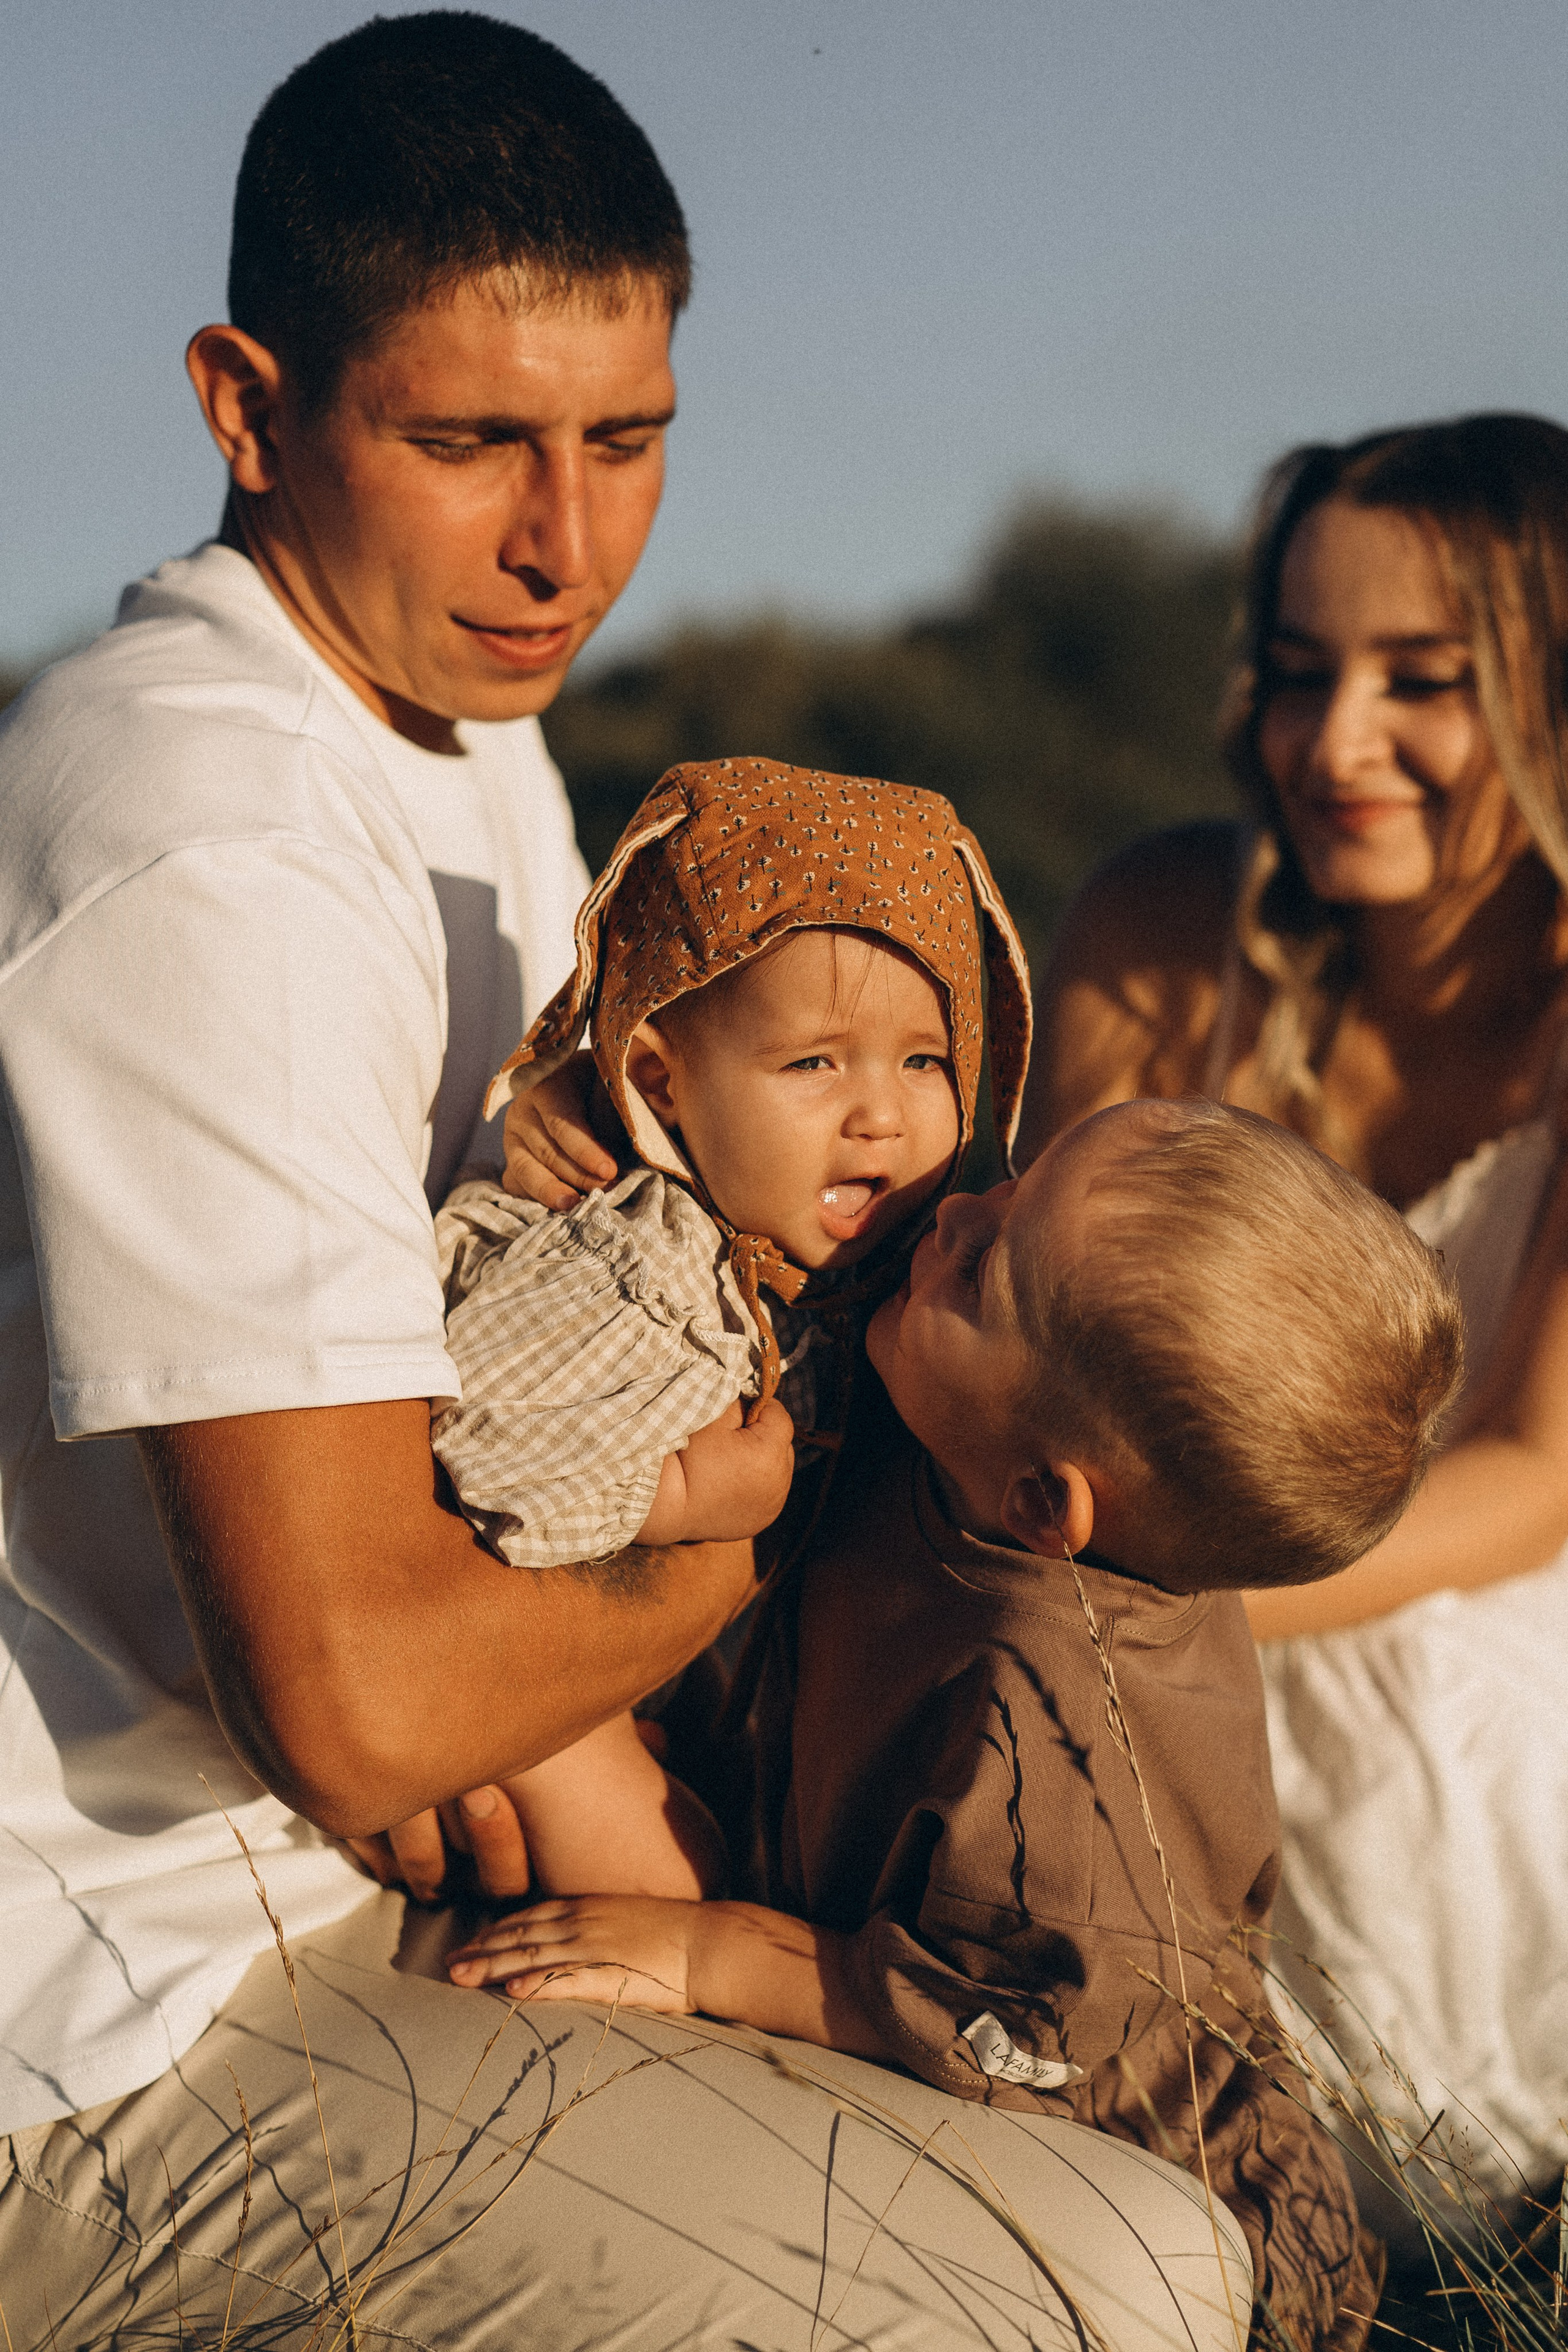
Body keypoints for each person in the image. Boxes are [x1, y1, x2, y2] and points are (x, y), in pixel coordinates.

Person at [0, 19, 1264, 2346]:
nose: (561, 541)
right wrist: (750, 1526)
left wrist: (527, 1712)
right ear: (247, 404)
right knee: (1051, 2313)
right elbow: (374, 1703)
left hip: (347, 1890)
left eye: (626, 441)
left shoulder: (465, 742)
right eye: (469, 441)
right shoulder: (212, 844)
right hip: (105, 2022)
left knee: (1166, 2251)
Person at [448, 1093, 1465, 2350]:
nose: (960, 1206)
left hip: (1148, 2207)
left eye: (986, 1262)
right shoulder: (963, 1420)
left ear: (1045, 1502)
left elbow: (993, 2030)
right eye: (1013, 1179)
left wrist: (707, 1954)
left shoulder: (1065, 1771)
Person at [1020, 412, 1568, 2228]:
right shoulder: (1165, 928)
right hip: (1118, 1562)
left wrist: (1157, 1600)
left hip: (1471, 1589)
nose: (1337, 746)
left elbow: (1533, 1473)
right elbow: (1034, 1331)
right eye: (1299, 672)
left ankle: (1420, 2188)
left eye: (1425, 682)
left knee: (1427, 1703)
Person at [431, 756, 1030, 1897]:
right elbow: (470, 1444)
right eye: (814, 1063)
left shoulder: (892, 1259)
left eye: (927, 1061)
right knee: (669, 1872)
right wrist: (682, 1505)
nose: (883, 1113)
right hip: (544, 1685)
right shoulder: (640, 1267)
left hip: (715, 1692)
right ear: (660, 1087)